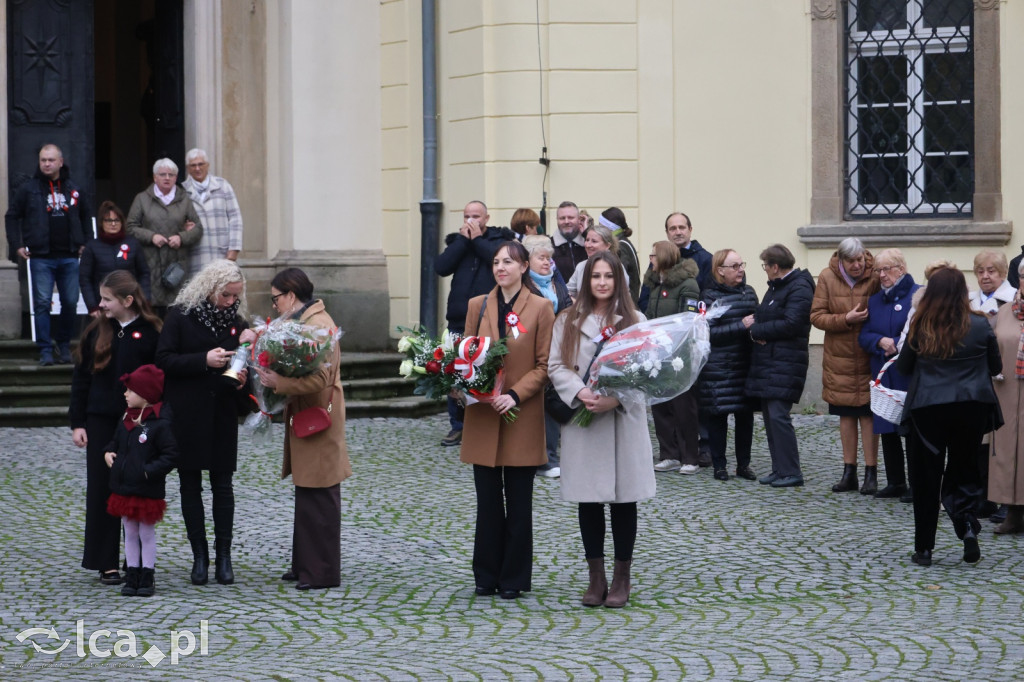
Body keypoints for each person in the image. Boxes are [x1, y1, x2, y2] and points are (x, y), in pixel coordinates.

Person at [549, 251, 655, 608]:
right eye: (596, 276)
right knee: (589, 498)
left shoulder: (635, 319)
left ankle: (622, 577)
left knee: (624, 499)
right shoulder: (567, 319)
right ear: (586, 280)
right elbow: (556, 365)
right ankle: (596, 577)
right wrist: (579, 391)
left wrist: (617, 399)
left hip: (622, 421)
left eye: (609, 276)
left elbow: (648, 370)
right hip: (585, 418)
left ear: (619, 280)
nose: (603, 283)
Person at [240, 268, 352, 590]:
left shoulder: (318, 325)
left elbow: (321, 378)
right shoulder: (302, 320)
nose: (274, 306)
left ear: (291, 295)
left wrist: (280, 382)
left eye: (276, 298)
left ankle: (321, 572)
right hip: (307, 411)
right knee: (308, 490)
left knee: (320, 491)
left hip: (319, 413)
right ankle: (305, 563)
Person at [459, 241, 554, 600]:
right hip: (483, 415)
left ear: (524, 267)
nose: (501, 267)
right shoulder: (477, 305)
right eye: (497, 262)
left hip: (519, 415)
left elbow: (544, 365)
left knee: (518, 502)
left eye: (509, 262)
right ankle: (485, 575)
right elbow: (465, 353)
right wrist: (461, 383)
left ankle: (513, 577)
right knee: (486, 502)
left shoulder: (542, 308)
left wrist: (514, 394)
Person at [896, 267, 1002, 567]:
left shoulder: (921, 325)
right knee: (965, 469)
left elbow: (903, 367)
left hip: (929, 409)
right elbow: (994, 368)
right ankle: (967, 527)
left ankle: (925, 549)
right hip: (972, 407)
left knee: (926, 477)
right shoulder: (980, 325)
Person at [156, 259, 251, 586]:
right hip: (187, 412)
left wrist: (241, 378)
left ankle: (224, 557)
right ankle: (200, 557)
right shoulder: (180, 316)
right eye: (226, 295)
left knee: (223, 486)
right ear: (210, 288)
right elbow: (163, 359)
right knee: (189, 484)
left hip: (222, 412)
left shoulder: (237, 322)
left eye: (235, 296)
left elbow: (243, 363)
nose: (230, 302)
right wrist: (204, 360)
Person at [70, 270, 162, 586]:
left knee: (134, 487)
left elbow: (159, 381)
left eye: (107, 299)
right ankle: (105, 560)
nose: (102, 304)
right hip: (99, 420)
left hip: (136, 423)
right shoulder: (96, 330)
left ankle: (135, 560)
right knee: (101, 489)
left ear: (127, 300)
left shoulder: (150, 333)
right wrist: (77, 423)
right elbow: (81, 380)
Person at [434, 200, 516, 448]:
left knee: (484, 371)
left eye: (476, 216)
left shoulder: (497, 242)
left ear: (487, 218)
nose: (471, 221)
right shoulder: (457, 242)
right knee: (455, 371)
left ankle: (481, 421)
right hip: (458, 319)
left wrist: (477, 239)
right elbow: (441, 267)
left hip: (487, 319)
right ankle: (457, 425)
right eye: (467, 215)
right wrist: (462, 241)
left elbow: (495, 261)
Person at [5, 143, 91, 365]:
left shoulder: (74, 188)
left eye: (51, 160)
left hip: (69, 255)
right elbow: (12, 216)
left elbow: (85, 215)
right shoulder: (29, 189)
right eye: (43, 160)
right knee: (42, 303)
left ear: (60, 162)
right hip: (41, 256)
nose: (46, 164)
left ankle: (63, 345)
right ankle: (44, 349)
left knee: (70, 302)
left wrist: (85, 243)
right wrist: (16, 245)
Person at [810, 237, 880, 494]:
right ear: (841, 260)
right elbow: (816, 316)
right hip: (838, 359)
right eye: (851, 261)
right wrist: (845, 319)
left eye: (860, 260)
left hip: (867, 356)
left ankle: (871, 473)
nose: (857, 266)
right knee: (846, 415)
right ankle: (848, 471)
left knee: (868, 413)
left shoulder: (874, 276)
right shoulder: (827, 277)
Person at [744, 244, 815, 488]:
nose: (764, 270)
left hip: (786, 362)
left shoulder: (799, 287)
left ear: (775, 267)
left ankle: (791, 471)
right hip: (771, 361)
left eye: (765, 266)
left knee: (778, 416)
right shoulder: (778, 287)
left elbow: (792, 323)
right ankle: (780, 468)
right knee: (770, 416)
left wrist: (757, 331)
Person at [103, 364, 178, 597]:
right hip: (124, 486)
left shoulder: (159, 423)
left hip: (146, 486)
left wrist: (148, 471)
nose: (125, 394)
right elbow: (115, 442)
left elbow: (170, 455)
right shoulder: (125, 419)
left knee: (146, 532)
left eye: (129, 390)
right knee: (129, 531)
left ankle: (148, 574)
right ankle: (132, 573)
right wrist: (108, 452)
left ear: (145, 395)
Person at [857, 248, 919, 499]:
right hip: (884, 373)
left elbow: (921, 332)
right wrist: (881, 341)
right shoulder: (874, 301)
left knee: (912, 431)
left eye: (886, 269)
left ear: (901, 269)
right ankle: (895, 481)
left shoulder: (919, 295)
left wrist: (898, 342)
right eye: (878, 270)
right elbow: (864, 335)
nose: (881, 275)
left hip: (909, 373)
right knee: (887, 427)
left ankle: (917, 484)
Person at [699, 249, 760, 481]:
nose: (740, 270)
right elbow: (705, 332)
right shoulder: (708, 297)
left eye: (741, 264)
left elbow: (757, 320)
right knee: (718, 418)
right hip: (718, 368)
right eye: (734, 266)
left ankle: (744, 465)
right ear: (720, 270)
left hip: (744, 365)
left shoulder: (749, 292)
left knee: (745, 418)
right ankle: (719, 465)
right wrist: (740, 326)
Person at [643, 240, 701, 474]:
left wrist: (669, 340)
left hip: (679, 355)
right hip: (657, 355)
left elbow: (689, 319)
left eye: (653, 255)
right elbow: (649, 314)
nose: (650, 259)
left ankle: (690, 457)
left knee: (683, 408)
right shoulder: (656, 284)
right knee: (660, 405)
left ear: (665, 257)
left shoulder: (688, 284)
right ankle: (669, 454)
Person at [127, 158, 204, 315]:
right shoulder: (142, 199)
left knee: (176, 311)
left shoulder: (184, 200)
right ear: (155, 177)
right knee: (151, 312)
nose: (167, 178)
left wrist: (181, 238)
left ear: (176, 177)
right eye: (163, 174)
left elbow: (198, 229)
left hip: (176, 266)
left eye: (171, 174)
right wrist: (151, 236)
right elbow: (130, 227)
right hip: (150, 263)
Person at [523, 234, 572, 478]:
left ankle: (549, 457)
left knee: (552, 404)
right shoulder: (524, 285)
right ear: (527, 260)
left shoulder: (554, 280)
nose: (547, 263)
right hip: (533, 353)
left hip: (558, 348)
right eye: (541, 258)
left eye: (549, 258)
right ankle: (540, 458)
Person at [986, 260, 1024, 535]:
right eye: (1023, 277)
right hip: (1007, 392)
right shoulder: (1003, 313)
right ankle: (1012, 511)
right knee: (1009, 453)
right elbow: (990, 348)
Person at [79, 201, 150, 315]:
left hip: (130, 304)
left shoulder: (133, 244)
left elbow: (144, 273)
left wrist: (144, 299)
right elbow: (85, 279)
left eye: (117, 220)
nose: (113, 224)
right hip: (102, 306)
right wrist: (92, 306)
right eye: (108, 220)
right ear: (101, 223)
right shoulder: (92, 247)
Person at [182, 148, 244, 272]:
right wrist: (182, 227)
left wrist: (233, 250)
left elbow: (235, 218)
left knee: (222, 290)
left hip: (222, 254)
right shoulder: (182, 191)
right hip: (196, 256)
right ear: (188, 168)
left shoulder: (223, 186)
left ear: (208, 165)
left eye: (201, 164)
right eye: (193, 165)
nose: (197, 168)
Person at [638, 212, 713, 311]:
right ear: (667, 233)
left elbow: (709, 297)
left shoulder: (706, 259)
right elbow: (645, 296)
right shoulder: (658, 258)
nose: (678, 232)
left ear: (690, 230)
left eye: (682, 227)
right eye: (673, 229)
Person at [566, 225, 628, 298]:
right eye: (587, 240)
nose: (588, 245)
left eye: (594, 241)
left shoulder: (616, 266)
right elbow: (568, 292)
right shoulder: (581, 266)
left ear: (607, 245)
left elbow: (623, 296)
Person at [599, 208, 641, 305]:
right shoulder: (623, 242)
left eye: (601, 227)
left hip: (625, 304)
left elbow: (617, 277)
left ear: (609, 228)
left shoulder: (621, 246)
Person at [969, 249, 1016, 321]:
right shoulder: (967, 300)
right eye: (980, 272)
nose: (985, 276)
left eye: (991, 271)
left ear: (1003, 273)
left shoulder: (1015, 299)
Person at [551, 201, 587, 282]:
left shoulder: (589, 244)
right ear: (557, 220)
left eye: (570, 217)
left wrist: (587, 234)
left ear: (579, 219)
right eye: (562, 218)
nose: (566, 221)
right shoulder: (548, 246)